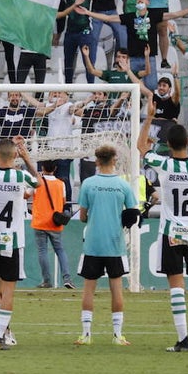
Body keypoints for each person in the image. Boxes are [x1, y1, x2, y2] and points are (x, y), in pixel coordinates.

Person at [138, 95, 188, 352]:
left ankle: (183, 339)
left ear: (169, 145)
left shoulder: (165, 164)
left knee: (176, 286)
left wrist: (150, 116)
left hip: (171, 231)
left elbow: (141, 147)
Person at [75, 144, 138, 346]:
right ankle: (118, 335)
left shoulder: (88, 184)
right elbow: (132, 215)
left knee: (88, 289)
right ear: (114, 160)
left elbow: (83, 216)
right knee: (116, 289)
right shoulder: (124, 185)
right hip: (115, 244)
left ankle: (86, 334)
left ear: (97, 161)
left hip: (93, 242)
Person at [0, 136, 38, 351]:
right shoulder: (20, 176)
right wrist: (27, 158)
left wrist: (3, 155)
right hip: (11, 240)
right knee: (9, 289)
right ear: (15, 155)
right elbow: (38, 182)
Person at [32, 160, 73, 289]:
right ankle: (67, 278)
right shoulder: (61, 184)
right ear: (55, 168)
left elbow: (26, 195)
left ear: (42, 167)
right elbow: (64, 200)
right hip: (55, 222)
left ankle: (47, 280)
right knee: (60, 250)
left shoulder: (37, 182)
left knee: (42, 251)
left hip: (39, 221)